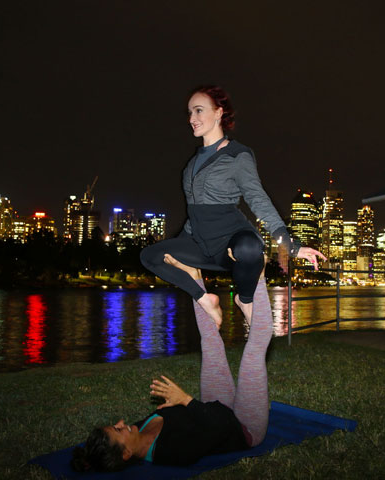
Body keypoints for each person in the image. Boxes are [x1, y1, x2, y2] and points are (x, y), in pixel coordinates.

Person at [140, 85, 326, 328]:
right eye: (189, 112)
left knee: (249, 248)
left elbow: (257, 198)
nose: (192, 119)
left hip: (231, 241)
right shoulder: (192, 164)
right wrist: (179, 244)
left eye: (198, 111)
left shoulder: (238, 155)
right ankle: (207, 301)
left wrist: (291, 246)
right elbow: (194, 211)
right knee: (149, 256)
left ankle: (244, 299)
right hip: (200, 243)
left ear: (218, 113)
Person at [71, 273, 275, 470]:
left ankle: (193, 274)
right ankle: (258, 275)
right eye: (118, 430)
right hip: (242, 428)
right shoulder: (173, 453)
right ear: (126, 454)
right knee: (254, 351)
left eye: (115, 424)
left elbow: (202, 413)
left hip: (214, 408)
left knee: (210, 342)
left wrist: (182, 403)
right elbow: (225, 422)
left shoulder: (140, 429)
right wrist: (185, 400)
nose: (121, 422)